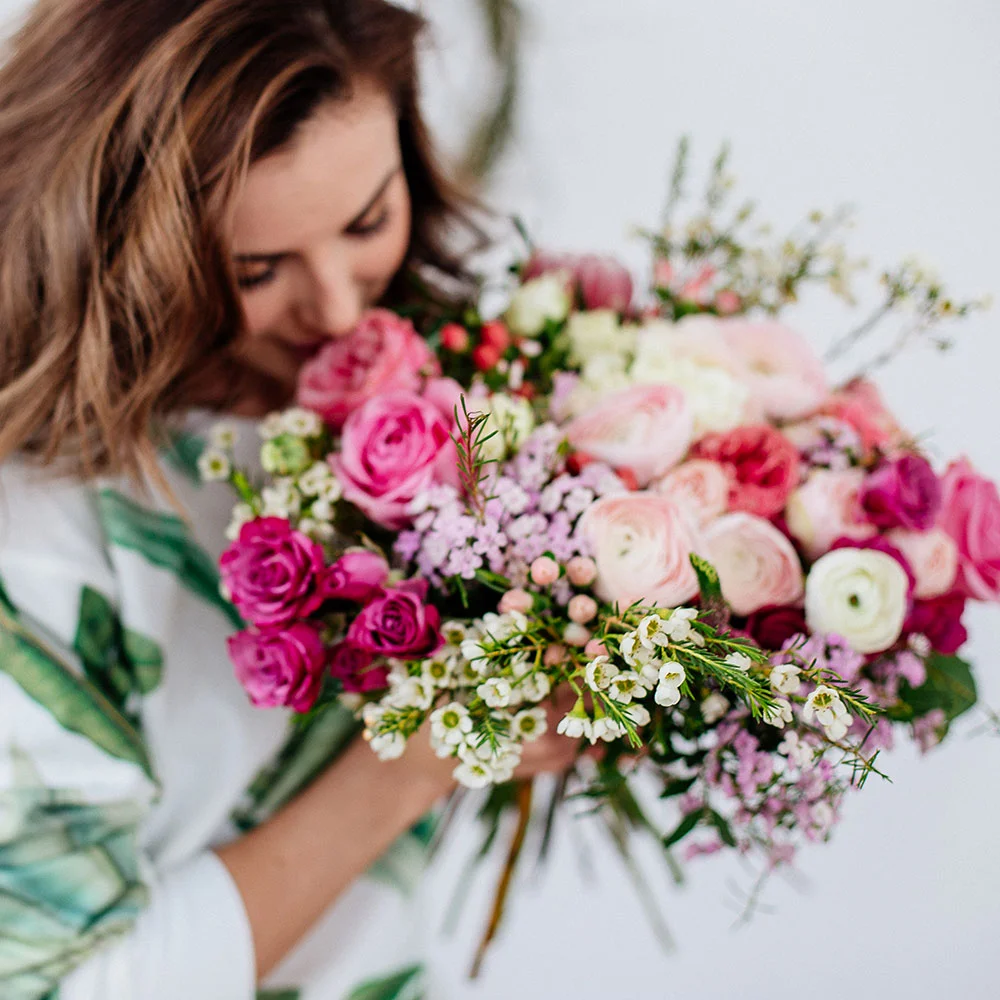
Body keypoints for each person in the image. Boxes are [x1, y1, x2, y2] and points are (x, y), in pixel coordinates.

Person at [0, 2, 579, 997]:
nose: (339, 308)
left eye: (367, 221)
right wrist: (420, 757)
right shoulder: (41, 531)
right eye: (253, 269)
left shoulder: (448, 398)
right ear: (117, 251)